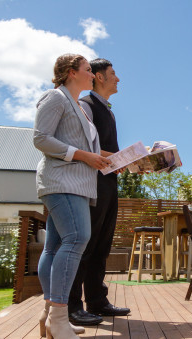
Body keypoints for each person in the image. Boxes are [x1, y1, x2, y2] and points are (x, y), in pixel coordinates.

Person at [34, 54, 111, 339]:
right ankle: (58, 318)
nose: (93, 75)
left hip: (78, 184)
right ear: (71, 72)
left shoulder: (80, 107)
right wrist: (82, 156)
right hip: (63, 182)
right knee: (77, 238)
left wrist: (120, 160)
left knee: (53, 247)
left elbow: (89, 149)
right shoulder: (55, 98)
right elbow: (40, 138)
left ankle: (50, 315)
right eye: (88, 70)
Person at [68, 58, 130, 326]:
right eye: (114, 74)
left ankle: (97, 301)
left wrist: (129, 162)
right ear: (100, 77)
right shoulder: (86, 106)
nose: (118, 79)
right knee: (86, 245)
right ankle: (72, 306)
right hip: (91, 184)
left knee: (102, 245)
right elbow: (85, 146)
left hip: (109, 184)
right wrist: (121, 157)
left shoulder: (109, 110)